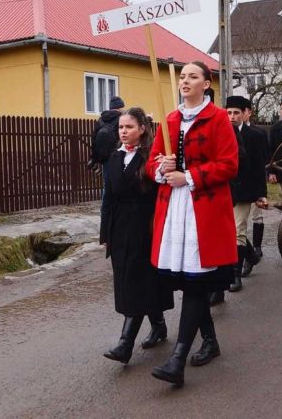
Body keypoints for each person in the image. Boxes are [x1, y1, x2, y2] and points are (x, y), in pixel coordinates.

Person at [146, 61, 238, 386]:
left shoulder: (219, 118)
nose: (185, 81)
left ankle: (178, 359)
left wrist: (189, 176)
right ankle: (210, 341)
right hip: (174, 212)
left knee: (197, 280)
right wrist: (162, 166)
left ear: (207, 82)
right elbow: (151, 164)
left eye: (193, 77)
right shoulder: (169, 119)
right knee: (189, 281)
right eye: (183, 77)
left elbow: (229, 165)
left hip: (205, 210)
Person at [101, 108, 174, 365]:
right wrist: (105, 233)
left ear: (142, 129)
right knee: (129, 280)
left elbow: (159, 192)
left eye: (129, 127)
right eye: (121, 127)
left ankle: (125, 344)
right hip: (120, 227)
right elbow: (108, 197)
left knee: (137, 282)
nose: (123, 132)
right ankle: (159, 325)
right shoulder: (113, 158)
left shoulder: (150, 158)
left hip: (145, 226)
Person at [225, 96, 268, 284]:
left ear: (245, 113)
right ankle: (251, 256)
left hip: (244, 191)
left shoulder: (255, 136)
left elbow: (259, 167)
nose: (232, 117)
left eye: (236, 113)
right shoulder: (221, 133)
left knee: (237, 230)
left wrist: (261, 194)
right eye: (229, 113)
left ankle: (235, 276)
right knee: (229, 230)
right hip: (224, 190)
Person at [90, 96, 125, 224]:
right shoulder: (122, 118)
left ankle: (104, 218)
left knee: (106, 187)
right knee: (119, 186)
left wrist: (94, 158)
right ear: (121, 107)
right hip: (119, 157)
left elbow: (94, 139)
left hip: (105, 159)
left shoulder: (101, 120)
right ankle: (118, 216)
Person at [242, 102, 269, 260]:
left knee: (257, 215)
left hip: (255, 181)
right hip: (239, 185)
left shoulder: (259, 132)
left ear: (248, 113)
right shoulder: (228, 131)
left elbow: (264, 158)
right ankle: (249, 253)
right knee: (239, 224)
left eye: (240, 112)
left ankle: (257, 247)